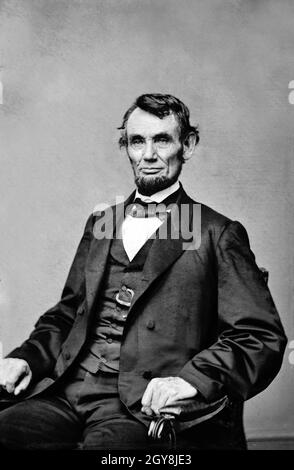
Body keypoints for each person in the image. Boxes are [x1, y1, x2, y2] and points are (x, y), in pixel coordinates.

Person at [0, 93, 287, 450]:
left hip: (139, 408)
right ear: (127, 147)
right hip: (66, 390)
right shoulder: (102, 222)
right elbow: (66, 315)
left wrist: (191, 381)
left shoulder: (218, 233)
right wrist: (24, 358)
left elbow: (259, 336)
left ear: (188, 145)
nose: (148, 155)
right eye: (138, 141)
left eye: (162, 139)